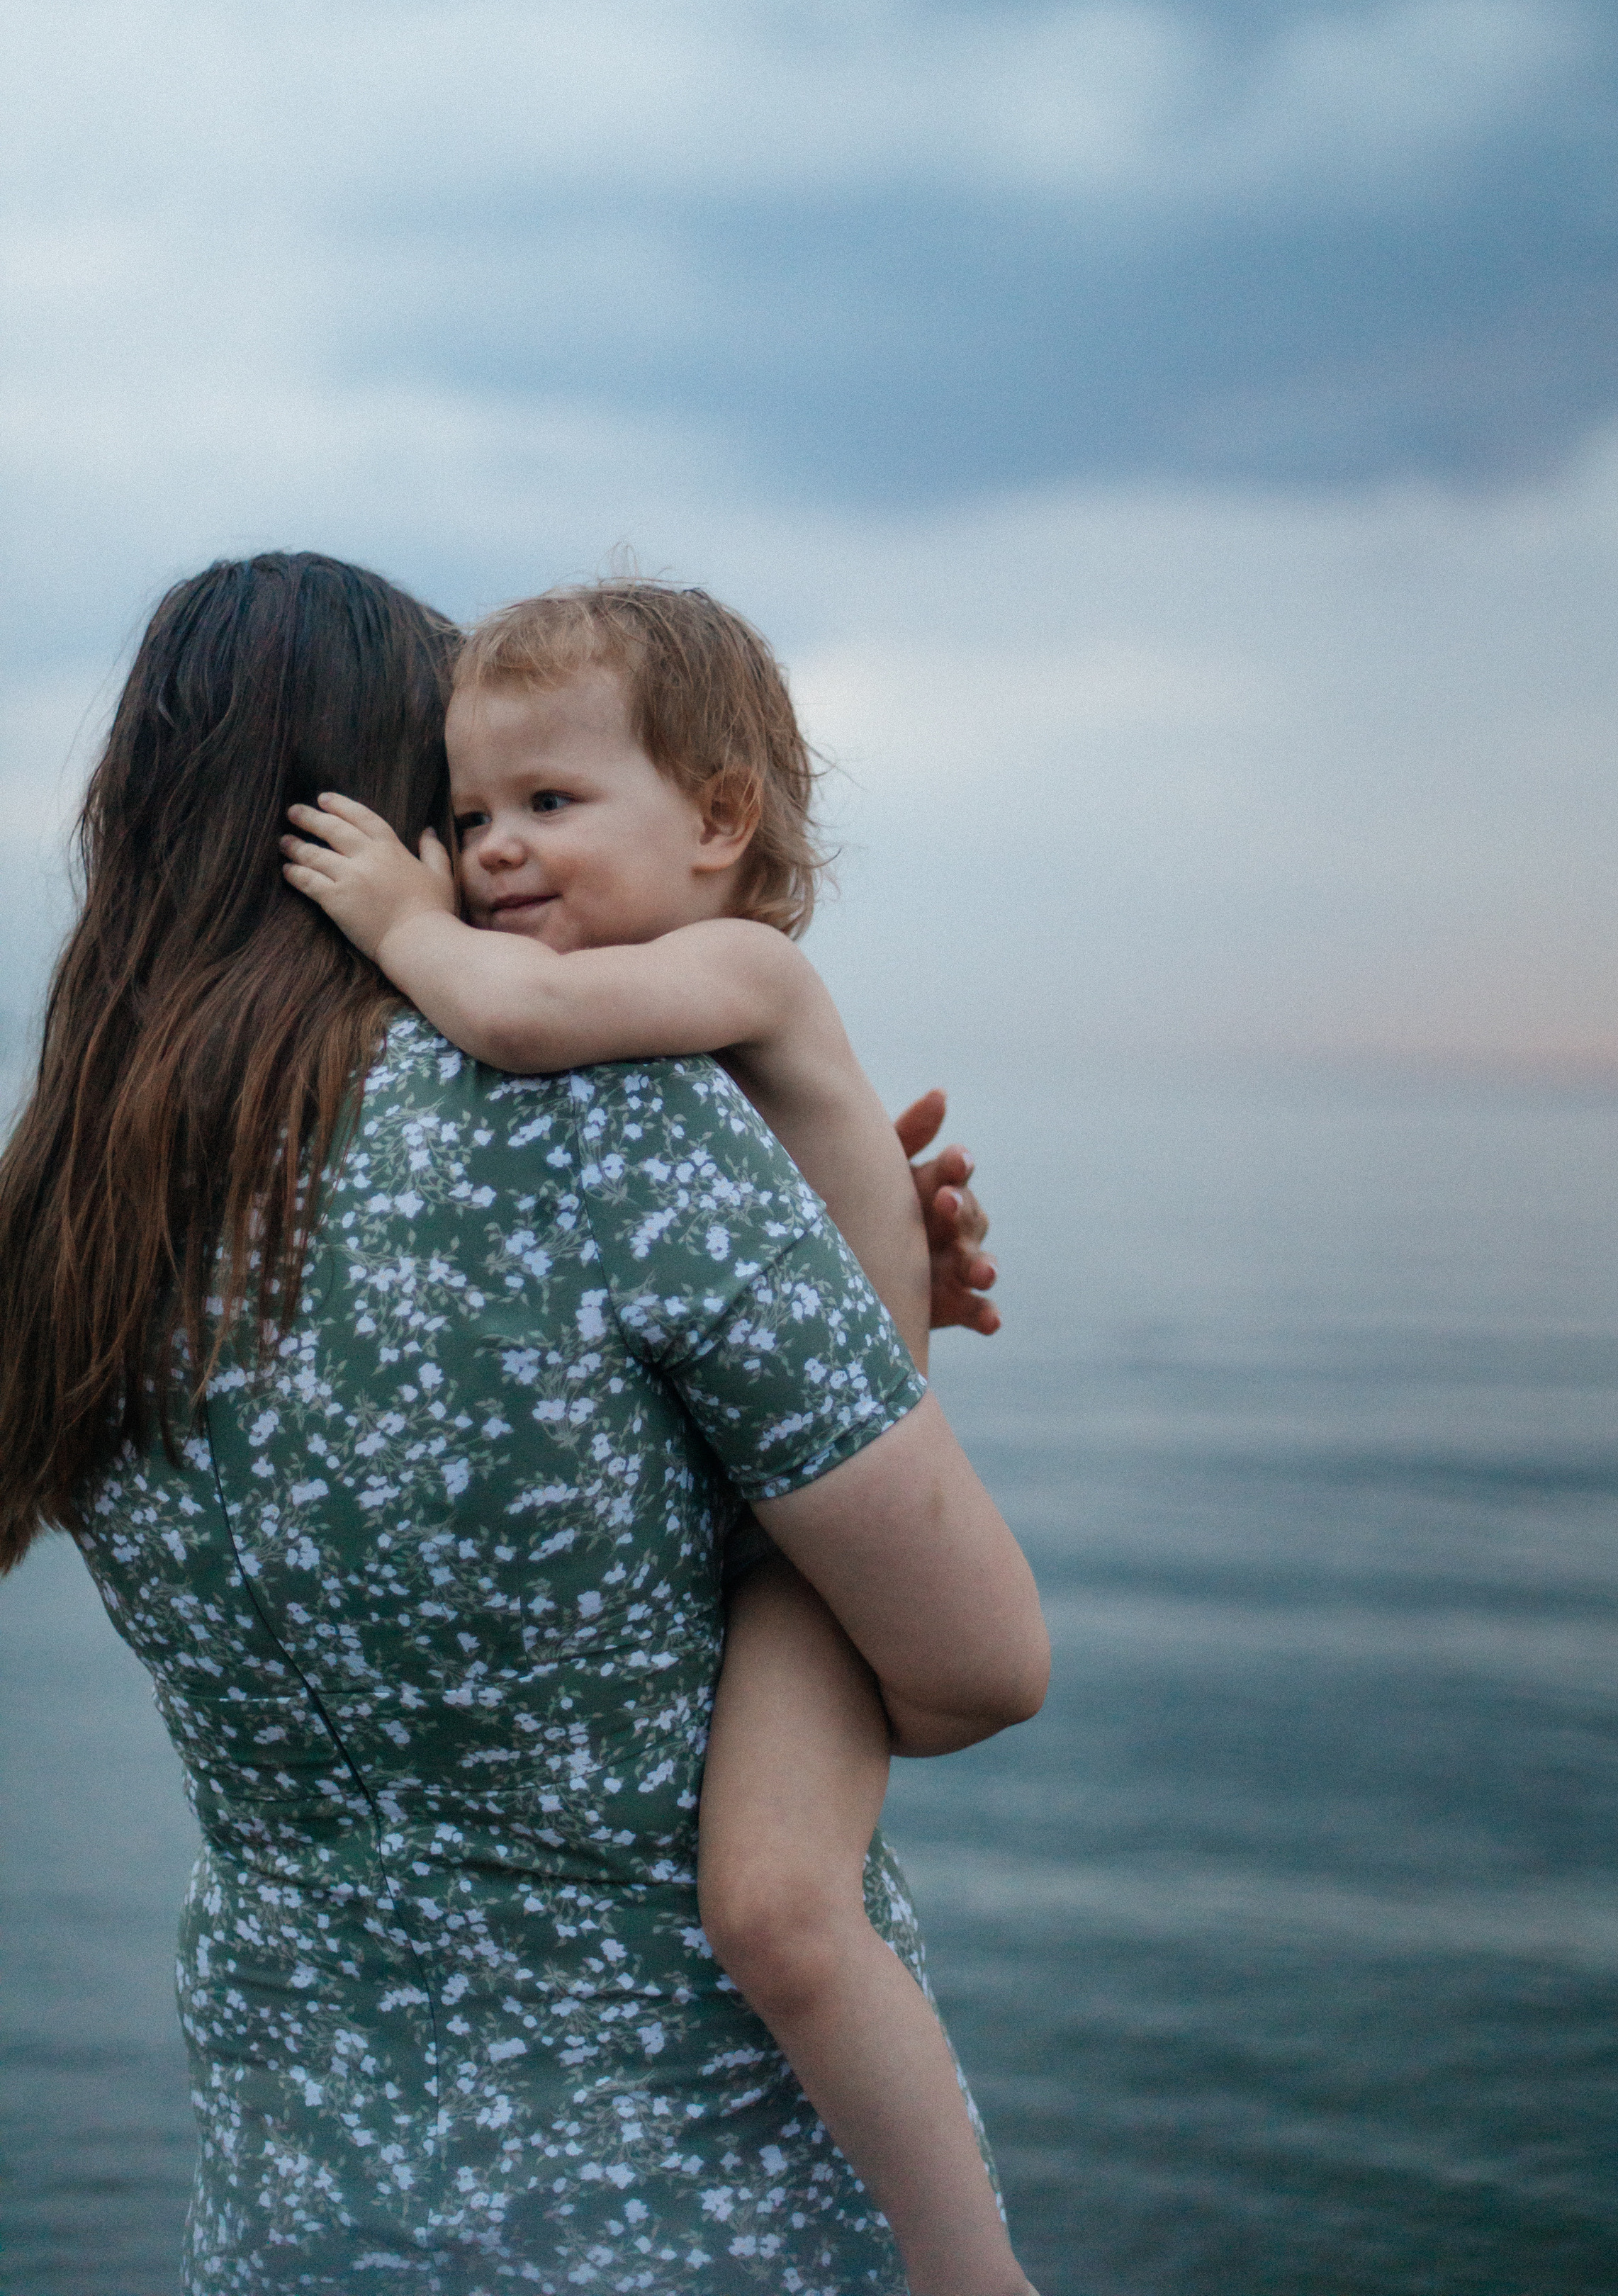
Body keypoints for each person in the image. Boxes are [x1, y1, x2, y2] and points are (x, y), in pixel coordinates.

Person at [0, 552, 1050, 2296]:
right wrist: (858, 1357)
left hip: (299, 2206)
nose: (492, 852)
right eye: (464, 804)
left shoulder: (71, 1217)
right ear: (391, 814)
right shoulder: (601, 1119)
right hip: (689, 2207)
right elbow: (974, 1665)